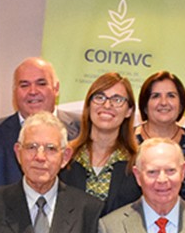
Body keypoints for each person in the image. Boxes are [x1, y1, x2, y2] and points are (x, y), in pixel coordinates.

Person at [0, 57, 79, 193]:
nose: (33, 91)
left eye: (41, 83)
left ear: (56, 88)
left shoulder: (83, 129)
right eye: (24, 85)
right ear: (14, 92)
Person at [59, 71, 142, 216]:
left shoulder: (138, 162)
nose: (107, 105)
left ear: (129, 111)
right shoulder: (65, 156)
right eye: (99, 97)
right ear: (88, 106)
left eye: (117, 100)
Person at [135, 70, 185, 206]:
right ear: (145, 105)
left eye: (171, 96)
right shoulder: (127, 142)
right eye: (155, 96)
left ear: (181, 104)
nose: (164, 102)